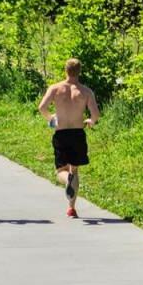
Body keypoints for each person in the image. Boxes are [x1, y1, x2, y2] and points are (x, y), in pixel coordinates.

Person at [37, 58, 99, 218]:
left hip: (61, 133)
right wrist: (90, 121)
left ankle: (67, 180)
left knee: (60, 171)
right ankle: (71, 208)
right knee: (75, 169)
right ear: (80, 71)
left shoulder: (55, 88)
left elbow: (42, 107)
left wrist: (51, 118)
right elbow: (95, 115)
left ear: (65, 70)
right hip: (78, 133)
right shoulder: (86, 91)